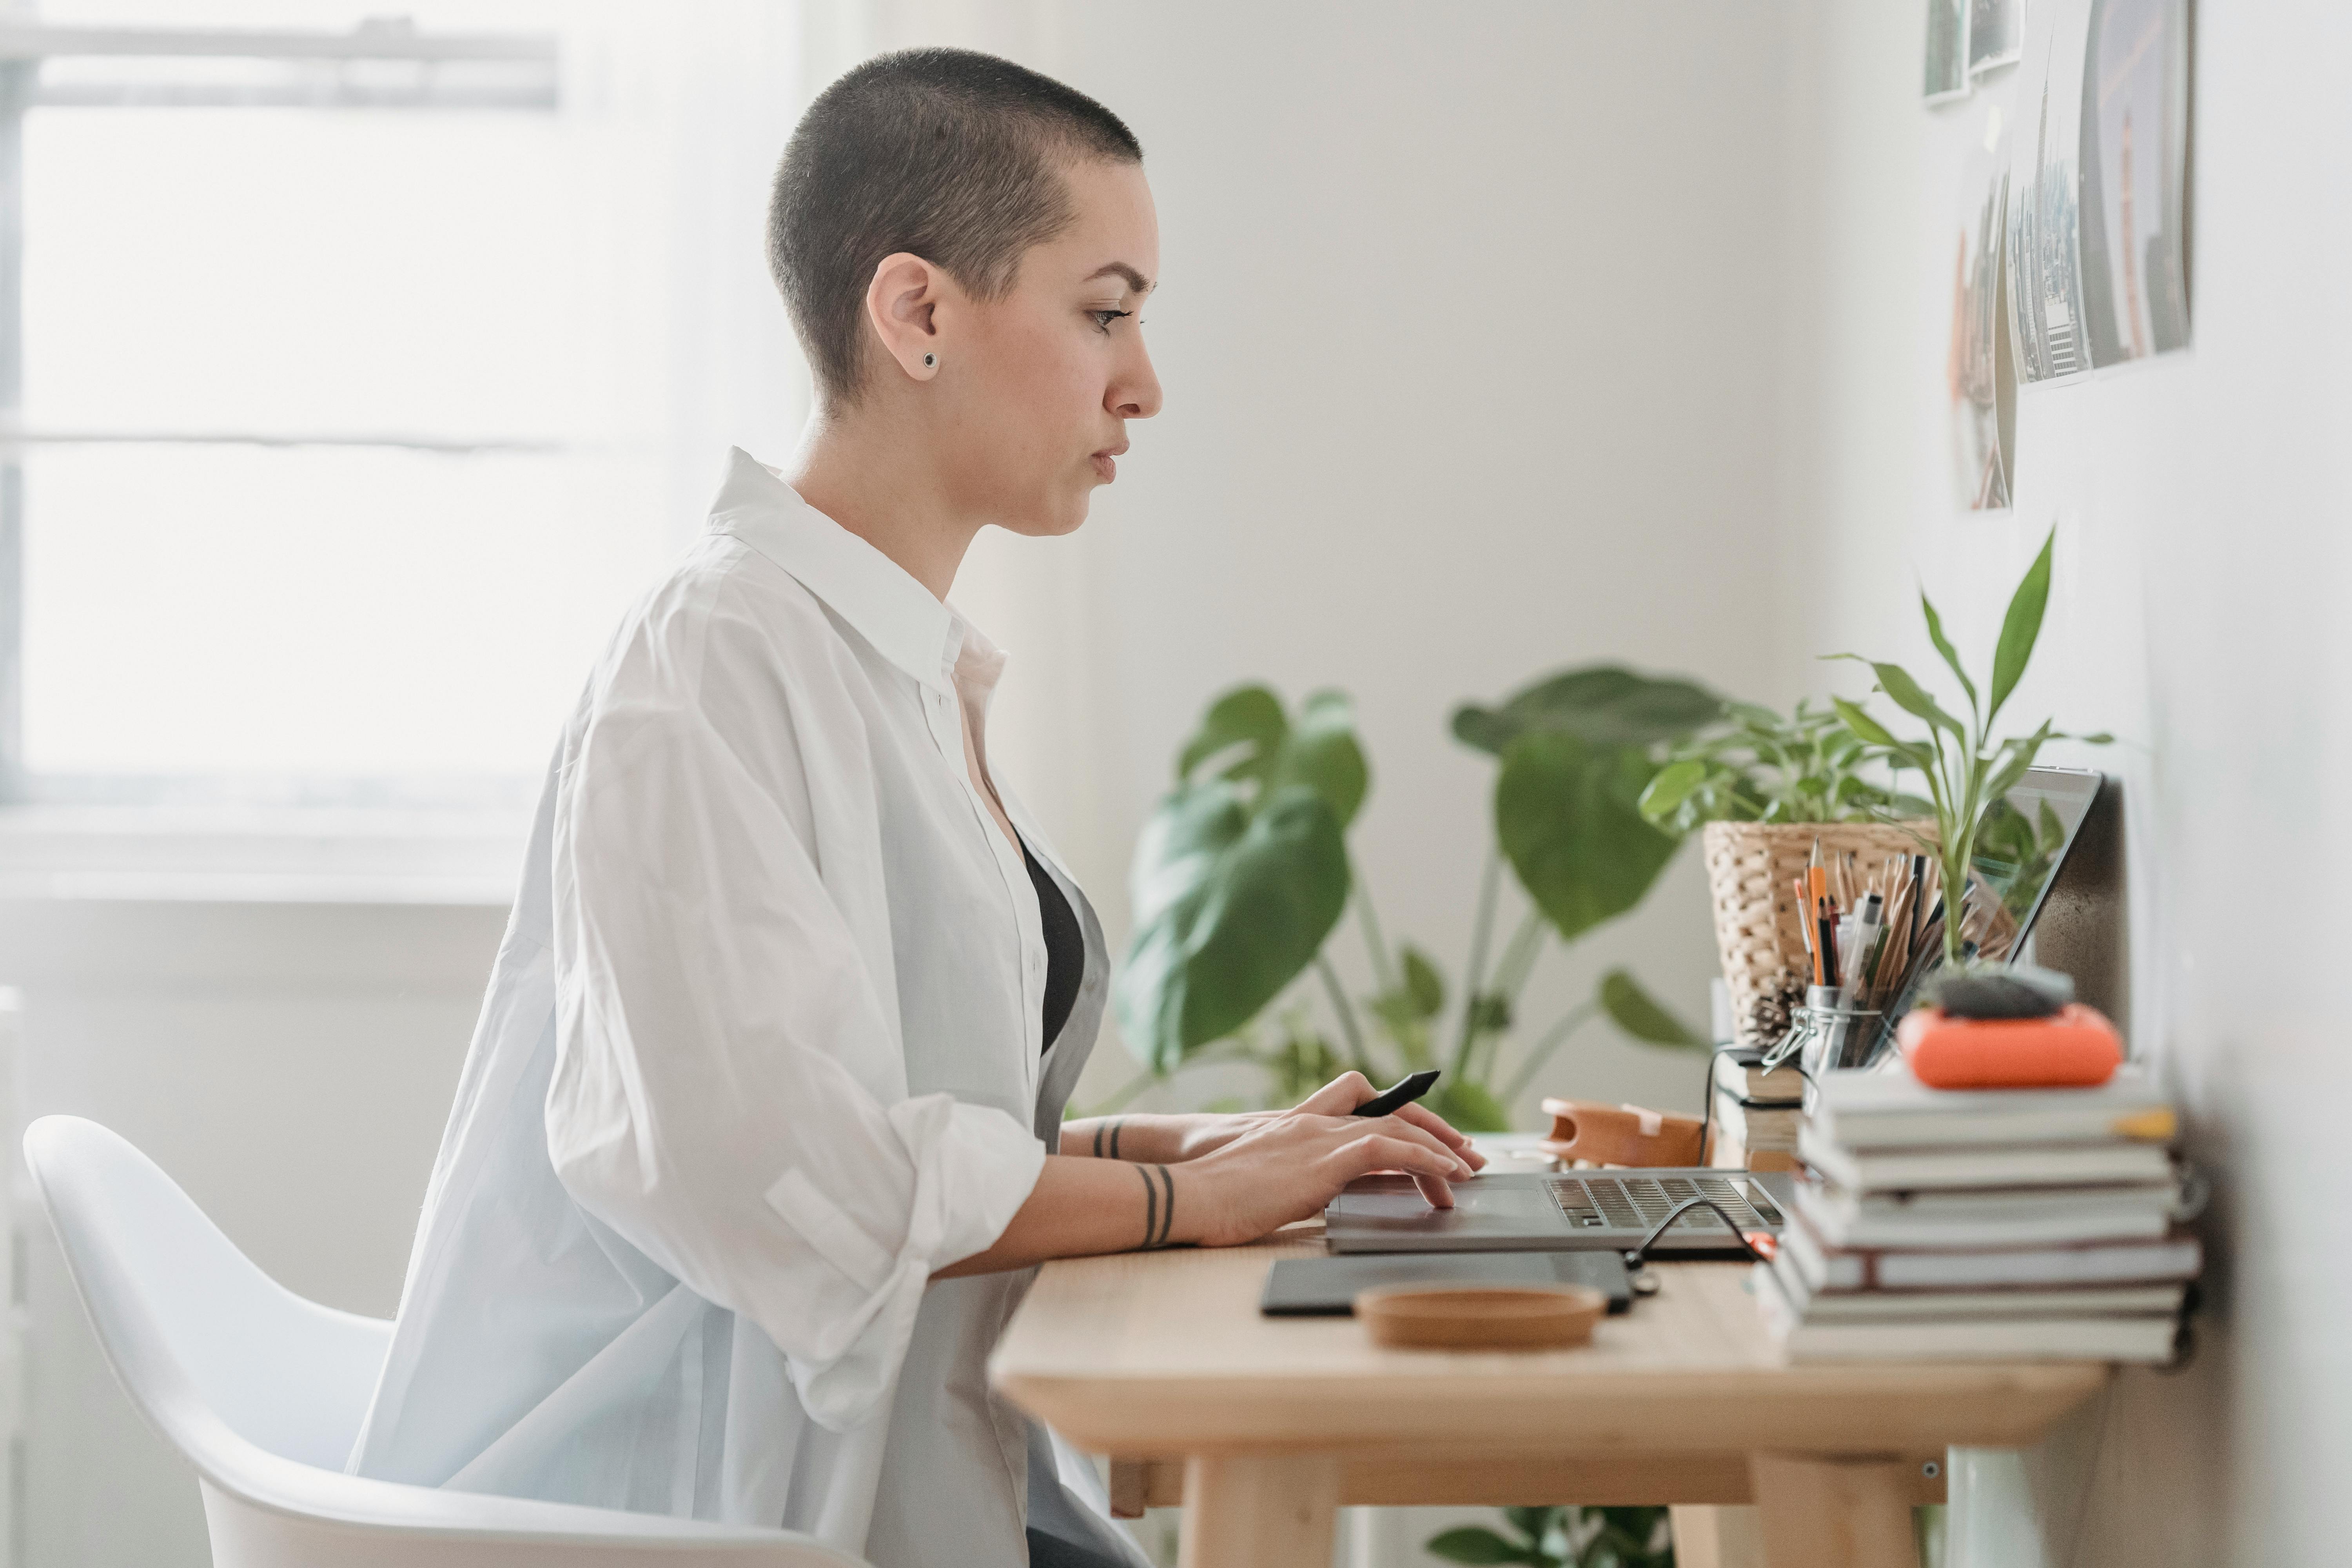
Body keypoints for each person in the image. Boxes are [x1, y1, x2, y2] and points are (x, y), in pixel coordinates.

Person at [346, 47, 1482, 1568]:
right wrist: (1176, 1200)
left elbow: (918, 1106)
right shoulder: (709, 665)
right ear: (919, 313)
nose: (1143, 380)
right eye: (1105, 310)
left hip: (932, 1475)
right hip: (697, 1517)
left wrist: (1208, 1151)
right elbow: (783, 1166)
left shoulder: (900, 667)